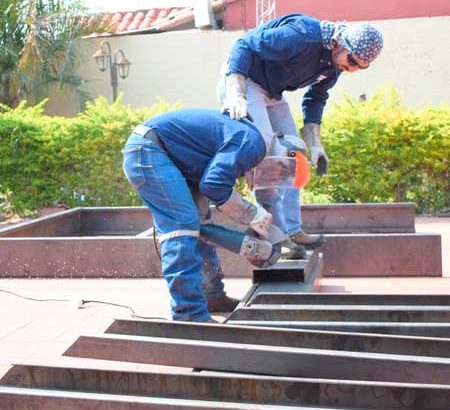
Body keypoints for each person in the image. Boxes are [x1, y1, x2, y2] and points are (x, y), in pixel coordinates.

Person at [217, 13, 384, 254]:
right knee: (267, 155)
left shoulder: (335, 65)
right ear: (338, 42)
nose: (353, 69)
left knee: (294, 153)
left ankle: (292, 230)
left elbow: (316, 98)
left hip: (272, 91)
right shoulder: (302, 35)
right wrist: (235, 92)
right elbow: (244, 45)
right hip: (246, 79)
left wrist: (315, 144)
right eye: (352, 61)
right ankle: (274, 235)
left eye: (360, 66)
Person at [122, 108, 273, 322]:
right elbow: (214, 185)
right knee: (181, 226)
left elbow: (213, 179)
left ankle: (211, 296)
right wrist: (253, 214)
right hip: (150, 151)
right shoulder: (252, 143)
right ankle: (189, 313)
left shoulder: (244, 135)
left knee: (200, 226)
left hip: (174, 158)